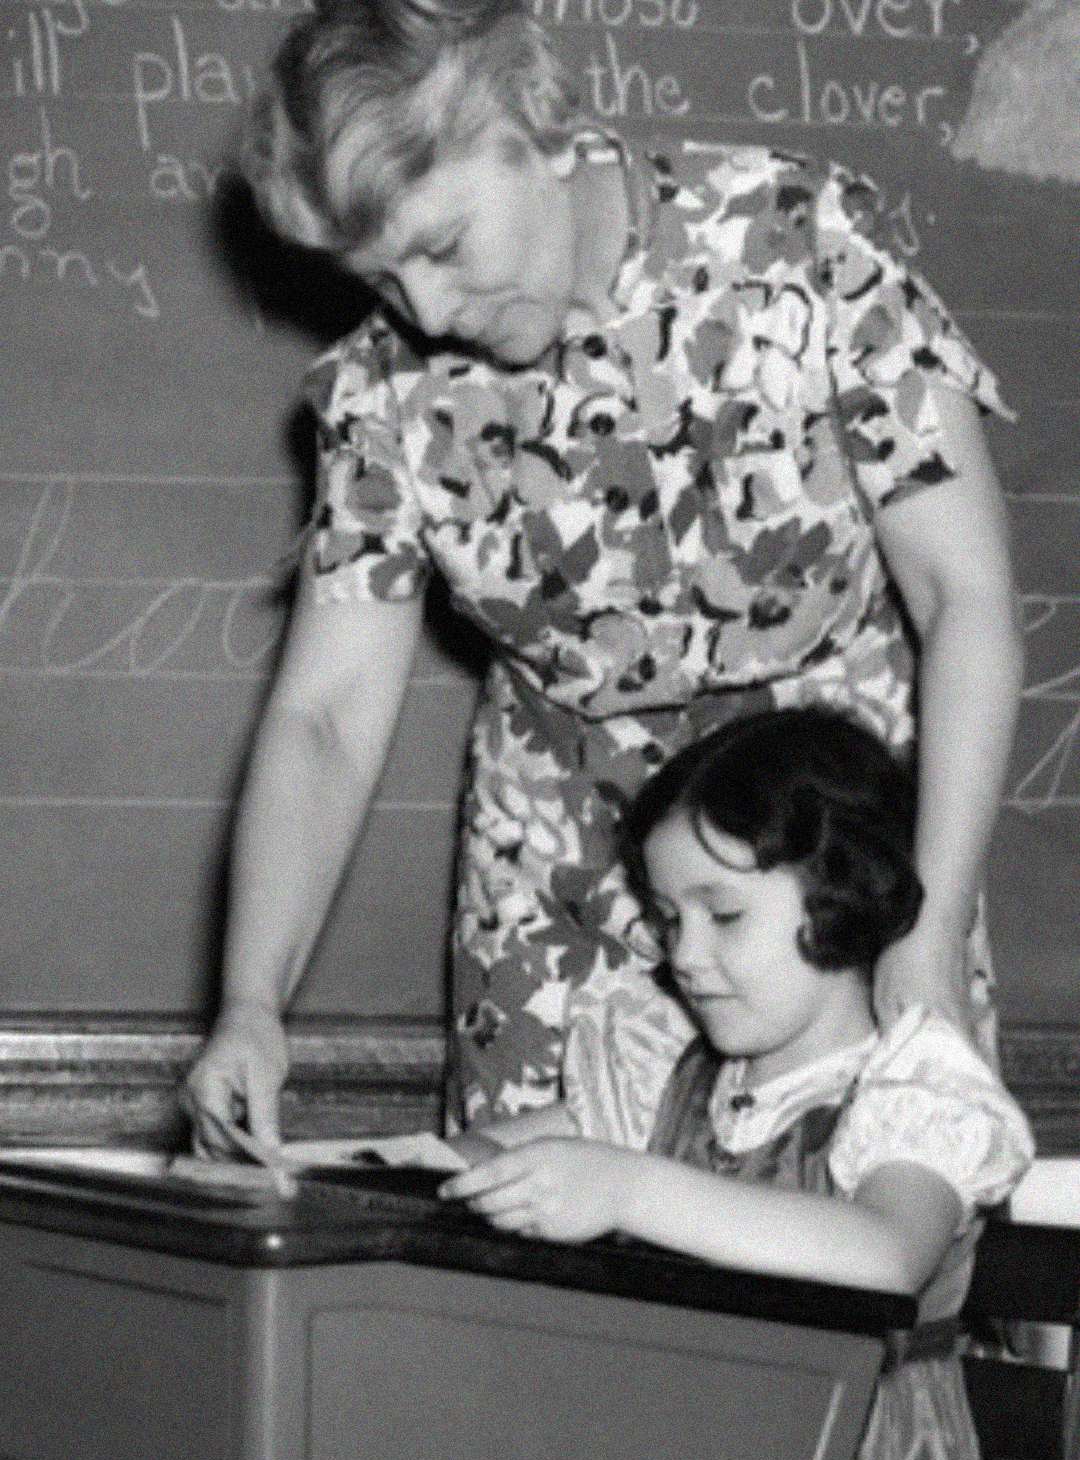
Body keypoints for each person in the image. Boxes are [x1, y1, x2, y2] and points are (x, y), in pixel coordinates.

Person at [183, 0, 1025, 1157]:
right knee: (545, 1303)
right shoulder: (384, 397)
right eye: (381, 278)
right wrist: (251, 1004)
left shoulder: (795, 244)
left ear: (541, 129)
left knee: (844, 1251)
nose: (425, 313)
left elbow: (963, 599)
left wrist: (921, 931)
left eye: (441, 246)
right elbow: (324, 719)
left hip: (834, 859)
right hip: (564, 885)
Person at [296, 706, 1034, 1460]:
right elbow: (535, 1145)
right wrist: (392, 1165)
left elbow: (886, 1254)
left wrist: (629, 1183)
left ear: (845, 894)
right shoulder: (677, 1063)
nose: (686, 951)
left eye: (725, 915)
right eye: (670, 914)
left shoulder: (913, 1080)